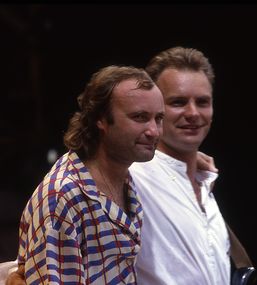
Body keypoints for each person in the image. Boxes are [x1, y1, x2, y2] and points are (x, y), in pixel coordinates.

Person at [5, 63, 216, 285]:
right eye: (140, 117)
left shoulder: (125, 175)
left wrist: (192, 160)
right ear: (101, 119)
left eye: (159, 118)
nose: (154, 131)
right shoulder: (65, 196)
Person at [129, 46, 231, 285]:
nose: (193, 113)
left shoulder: (206, 183)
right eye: (178, 102)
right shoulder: (132, 176)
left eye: (203, 102)